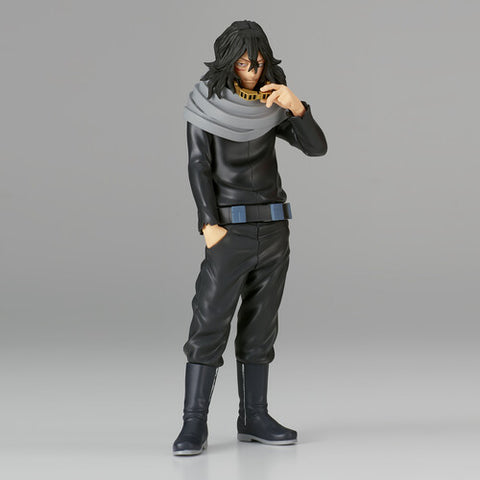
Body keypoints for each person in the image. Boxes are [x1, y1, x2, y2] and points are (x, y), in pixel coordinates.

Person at [173, 20, 328, 456]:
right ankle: (193, 423)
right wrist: (208, 223)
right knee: (209, 323)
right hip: (229, 231)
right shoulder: (206, 105)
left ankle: (254, 416)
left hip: (274, 228)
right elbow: (198, 165)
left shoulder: (270, 105)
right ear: (228, 62)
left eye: (257, 63)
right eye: (243, 63)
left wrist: (297, 108)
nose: (251, 71)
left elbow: (317, 148)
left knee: (261, 328)